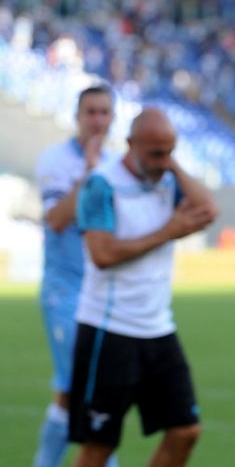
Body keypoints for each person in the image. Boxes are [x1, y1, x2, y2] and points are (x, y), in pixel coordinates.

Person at [68, 107, 218, 467]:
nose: (163, 162)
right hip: (108, 329)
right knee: (99, 446)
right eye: (155, 153)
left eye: (170, 152)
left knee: (185, 431)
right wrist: (168, 232)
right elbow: (102, 254)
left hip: (157, 328)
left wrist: (173, 164)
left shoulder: (166, 177)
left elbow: (208, 210)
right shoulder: (101, 184)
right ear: (131, 143)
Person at [33, 85, 119, 467]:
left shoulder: (117, 165)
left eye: (104, 112)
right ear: (77, 116)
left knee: (70, 393)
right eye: (91, 112)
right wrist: (88, 172)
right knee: (90, 388)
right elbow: (56, 219)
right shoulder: (55, 160)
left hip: (103, 292)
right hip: (64, 291)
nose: (98, 120)